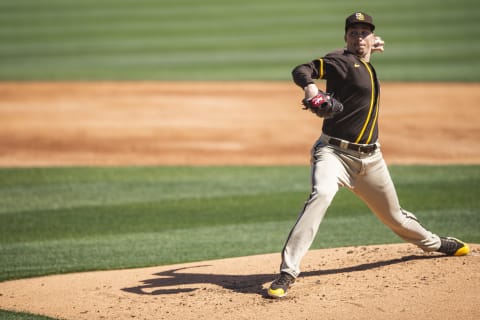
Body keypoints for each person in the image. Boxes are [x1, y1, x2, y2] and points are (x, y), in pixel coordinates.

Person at [267, 12, 470, 299]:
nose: (359, 37)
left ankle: (435, 243)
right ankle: (288, 271)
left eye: (365, 33)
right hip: (333, 153)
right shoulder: (340, 62)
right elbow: (302, 69)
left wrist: (368, 50)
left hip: (371, 160)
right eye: (353, 33)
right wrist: (312, 88)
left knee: (395, 217)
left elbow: (359, 56)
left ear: (372, 38)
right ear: (346, 37)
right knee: (322, 194)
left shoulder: (363, 61)